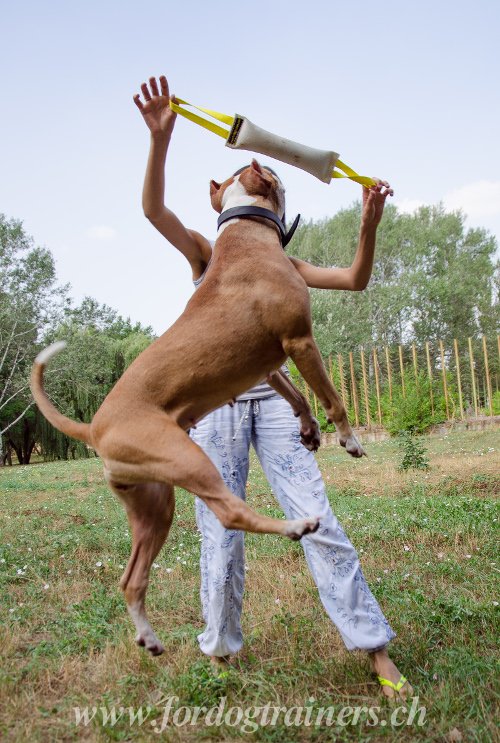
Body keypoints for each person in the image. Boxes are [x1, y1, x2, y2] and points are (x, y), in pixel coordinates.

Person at [133, 75, 412, 699]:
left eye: (271, 173)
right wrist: (160, 140)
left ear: (278, 205)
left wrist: (369, 221)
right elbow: (154, 212)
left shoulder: (285, 266)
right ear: (218, 197)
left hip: (281, 409)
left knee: (317, 517)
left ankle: (372, 645)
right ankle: (220, 648)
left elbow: (355, 279)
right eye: (244, 168)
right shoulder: (210, 254)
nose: (258, 165)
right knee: (220, 531)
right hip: (217, 411)